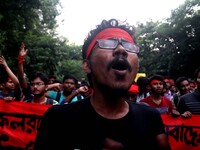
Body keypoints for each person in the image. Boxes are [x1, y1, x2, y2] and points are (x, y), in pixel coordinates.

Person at [34, 19, 171, 150]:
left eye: (129, 47)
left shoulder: (150, 118)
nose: (121, 50)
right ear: (87, 65)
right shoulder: (58, 120)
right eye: (108, 43)